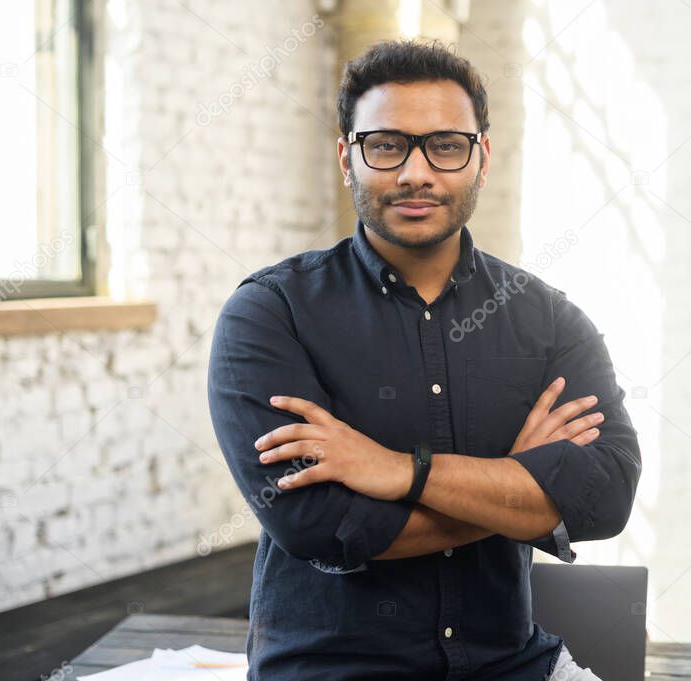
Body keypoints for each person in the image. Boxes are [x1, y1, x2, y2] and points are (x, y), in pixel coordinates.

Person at [207, 38, 642, 681]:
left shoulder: (549, 317)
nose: (416, 172)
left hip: (513, 666)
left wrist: (396, 471)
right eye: (386, 145)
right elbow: (319, 525)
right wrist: (518, 484)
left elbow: (605, 498)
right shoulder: (271, 314)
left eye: (445, 145)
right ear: (347, 159)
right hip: (332, 671)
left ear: (481, 158)